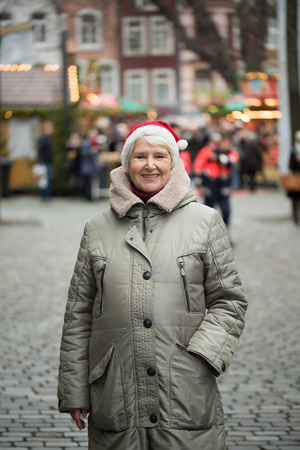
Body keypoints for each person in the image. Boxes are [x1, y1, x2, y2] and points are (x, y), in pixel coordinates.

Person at [58, 121, 247, 450]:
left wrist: (201, 356)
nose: (149, 164)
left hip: (184, 390)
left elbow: (229, 301)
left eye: (159, 156)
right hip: (116, 394)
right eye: (140, 156)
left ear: (173, 163)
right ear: (126, 162)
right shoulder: (97, 228)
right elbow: (79, 314)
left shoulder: (204, 221)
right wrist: (75, 389)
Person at [193, 133, 239, 228]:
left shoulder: (230, 152)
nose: (227, 145)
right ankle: (208, 235)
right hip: (210, 185)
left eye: (228, 143)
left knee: (226, 210)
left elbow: (232, 161)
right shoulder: (207, 151)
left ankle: (225, 232)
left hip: (224, 186)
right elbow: (198, 167)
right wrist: (199, 185)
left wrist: (218, 158)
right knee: (209, 212)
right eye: (224, 143)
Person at [79, 128, 100, 201]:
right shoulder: (86, 143)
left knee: (91, 182)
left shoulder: (94, 143)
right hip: (87, 166)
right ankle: (87, 196)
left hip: (92, 166)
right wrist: (91, 151)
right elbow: (83, 153)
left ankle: (90, 196)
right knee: (87, 182)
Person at [36, 121, 54, 201]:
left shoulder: (49, 138)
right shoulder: (42, 138)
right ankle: (44, 196)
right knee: (45, 180)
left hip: (49, 162)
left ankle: (47, 195)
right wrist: (40, 161)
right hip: (44, 162)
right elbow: (39, 150)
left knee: (49, 180)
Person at [287, 130, 300, 224]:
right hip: (296, 177)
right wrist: (297, 161)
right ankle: (295, 216)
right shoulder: (294, 150)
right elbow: (290, 165)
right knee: (295, 199)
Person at [65, 132, 83, 197]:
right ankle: (71, 195)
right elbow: (68, 156)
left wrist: (78, 147)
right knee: (72, 182)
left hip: (79, 166)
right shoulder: (69, 146)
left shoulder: (81, 146)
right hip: (72, 166)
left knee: (80, 182)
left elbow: (81, 155)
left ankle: (79, 194)